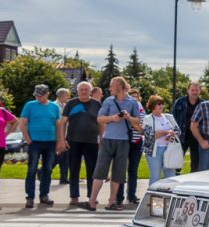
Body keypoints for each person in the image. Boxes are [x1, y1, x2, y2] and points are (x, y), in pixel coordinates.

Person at [83, 77, 140, 211]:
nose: (109, 88)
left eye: (111, 86)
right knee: (100, 171)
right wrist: (113, 118)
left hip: (124, 141)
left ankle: (111, 202)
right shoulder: (109, 101)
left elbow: (137, 120)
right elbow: (100, 118)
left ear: (119, 86)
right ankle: (92, 202)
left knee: (118, 173)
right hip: (108, 140)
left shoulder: (132, 102)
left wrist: (128, 117)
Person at [58, 81, 101, 205]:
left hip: (92, 141)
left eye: (86, 89)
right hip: (73, 141)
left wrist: (102, 139)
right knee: (74, 169)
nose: (84, 91)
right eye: (81, 89)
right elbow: (63, 122)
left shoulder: (97, 104)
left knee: (92, 170)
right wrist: (62, 139)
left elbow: (101, 123)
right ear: (77, 91)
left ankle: (91, 196)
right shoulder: (71, 103)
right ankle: (74, 196)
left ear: (90, 91)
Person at [20, 84, 61, 208]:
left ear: (47, 94)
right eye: (36, 95)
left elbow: (58, 126)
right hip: (35, 142)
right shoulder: (30, 105)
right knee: (31, 169)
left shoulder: (54, 107)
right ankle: (30, 197)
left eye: (40, 95)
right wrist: (28, 140)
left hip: (50, 142)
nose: (38, 97)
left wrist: (59, 142)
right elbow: (22, 124)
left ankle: (44, 195)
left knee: (47, 169)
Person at [139, 95, 181, 182]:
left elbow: (178, 131)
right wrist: (165, 132)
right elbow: (149, 135)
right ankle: (153, 195)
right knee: (155, 177)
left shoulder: (169, 116)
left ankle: (168, 195)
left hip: (169, 150)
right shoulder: (147, 118)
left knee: (170, 177)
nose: (161, 106)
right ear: (152, 106)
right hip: (154, 152)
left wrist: (172, 134)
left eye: (162, 104)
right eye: (158, 104)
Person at [116, 88, 146, 206]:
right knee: (121, 170)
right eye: (132, 96)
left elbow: (142, 127)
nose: (134, 99)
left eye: (136, 96)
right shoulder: (123, 105)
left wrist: (130, 119)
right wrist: (134, 121)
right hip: (123, 141)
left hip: (136, 141)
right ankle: (119, 196)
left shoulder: (140, 108)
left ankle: (132, 195)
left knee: (133, 170)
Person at [171, 82, 203, 173]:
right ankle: (175, 179)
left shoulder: (203, 104)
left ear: (200, 91)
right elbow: (173, 118)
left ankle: (193, 181)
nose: (194, 92)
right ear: (188, 91)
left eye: (197, 90)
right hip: (181, 136)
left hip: (196, 136)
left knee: (195, 162)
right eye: (192, 90)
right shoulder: (180, 102)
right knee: (177, 161)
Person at [53, 88, 71, 184]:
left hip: (65, 134)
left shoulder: (65, 105)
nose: (68, 97)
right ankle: (42, 170)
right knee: (58, 156)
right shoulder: (55, 106)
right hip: (58, 136)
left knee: (65, 157)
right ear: (61, 95)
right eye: (67, 95)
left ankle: (63, 178)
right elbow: (58, 123)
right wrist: (60, 139)